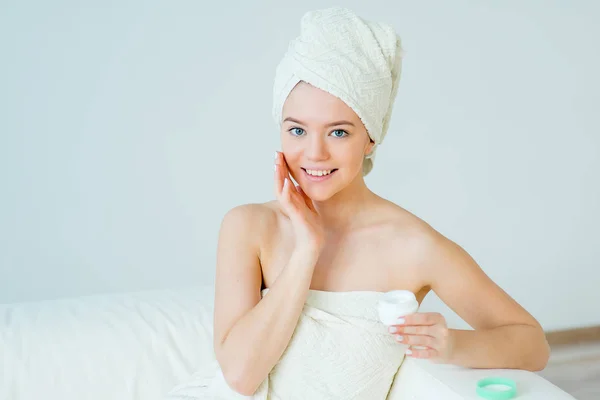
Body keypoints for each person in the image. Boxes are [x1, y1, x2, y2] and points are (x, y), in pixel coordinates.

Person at [166, 6, 550, 400]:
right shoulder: (248, 227)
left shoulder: (414, 246)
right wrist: (307, 249)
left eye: (338, 132)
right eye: (297, 129)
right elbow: (241, 377)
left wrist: (451, 344)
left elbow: (533, 343)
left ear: (370, 139)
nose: (314, 153)